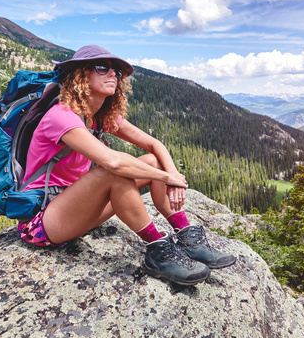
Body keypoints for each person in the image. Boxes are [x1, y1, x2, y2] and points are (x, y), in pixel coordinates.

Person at [16, 44, 235, 286]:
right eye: (102, 68)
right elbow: (113, 162)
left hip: (77, 210)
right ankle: (157, 251)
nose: (112, 74)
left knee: (152, 162)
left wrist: (172, 174)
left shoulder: (98, 116)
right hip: (43, 222)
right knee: (112, 173)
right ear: (81, 74)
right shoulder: (62, 115)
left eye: (116, 72)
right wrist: (165, 178)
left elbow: (155, 145)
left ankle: (186, 237)